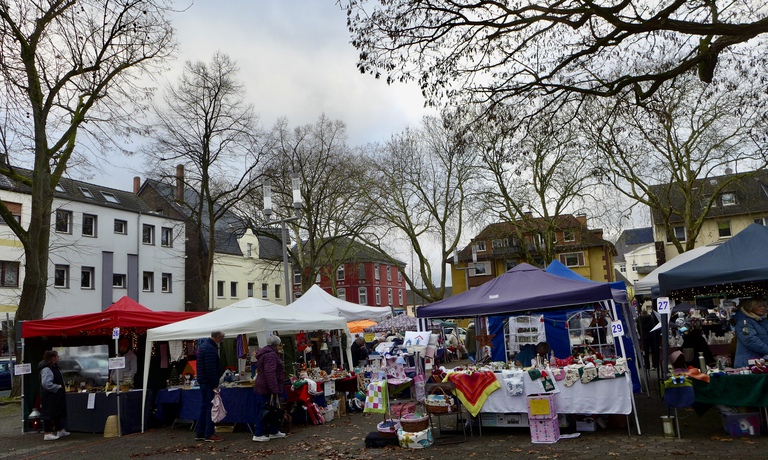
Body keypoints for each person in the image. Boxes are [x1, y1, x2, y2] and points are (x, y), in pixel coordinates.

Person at [252, 335, 286, 442]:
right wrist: (274, 388)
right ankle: (258, 433)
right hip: (267, 386)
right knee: (266, 409)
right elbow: (270, 373)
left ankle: (274, 431)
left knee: (271, 409)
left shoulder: (265, 353)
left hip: (264, 385)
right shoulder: (271, 355)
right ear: (276, 344)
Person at [195, 330, 225, 442]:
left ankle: (200, 432)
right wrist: (215, 384)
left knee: (205, 407)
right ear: (217, 337)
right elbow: (211, 369)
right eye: (222, 338)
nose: (222, 340)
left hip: (204, 382)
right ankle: (209, 433)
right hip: (208, 383)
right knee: (210, 408)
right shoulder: (210, 350)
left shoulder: (204, 347)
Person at [39, 350, 69, 441]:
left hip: (56, 395)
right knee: (48, 413)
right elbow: (46, 383)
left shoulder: (54, 367)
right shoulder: (46, 369)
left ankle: (60, 430)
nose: (58, 358)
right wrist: (57, 387)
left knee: (57, 412)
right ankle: (47, 433)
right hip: (49, 396)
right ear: (52, 358)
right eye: (57, 356)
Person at [733, 297, 768, 367]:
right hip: (748, 363)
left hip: (759, 362)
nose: (763, 308)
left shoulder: (761, 320)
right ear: (750, 307)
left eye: (764, 306)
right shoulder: (743, 322)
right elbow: (750, 340)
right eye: (759, 306)